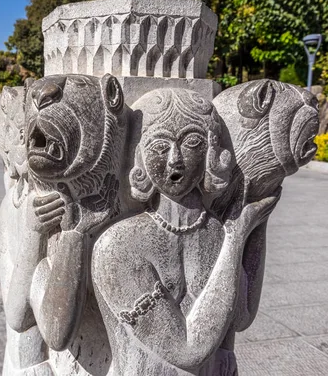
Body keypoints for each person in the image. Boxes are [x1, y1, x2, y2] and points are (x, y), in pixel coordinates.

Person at [91, 88, 281, 375]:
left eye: (191, 142)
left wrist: (257, 223)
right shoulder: (119, 245)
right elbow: (186, 350)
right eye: (159, 146)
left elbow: (241, 317)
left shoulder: (217, 231)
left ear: (211, 151)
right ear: (139, 155)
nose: (174, 160)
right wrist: (237, 236)